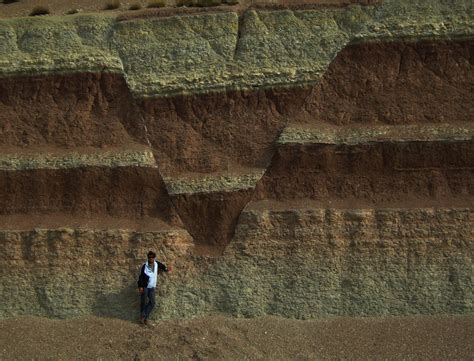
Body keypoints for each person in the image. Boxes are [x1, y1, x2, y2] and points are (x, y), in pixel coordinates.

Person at [137, 251, 171, 325]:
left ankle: (143, 316)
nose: (151, 258)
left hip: (152, 287)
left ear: (154, 257)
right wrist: (140, 286)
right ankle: (144, 319)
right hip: (145, 287)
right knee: (144, 302)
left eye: (152, 257)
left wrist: (166, 269)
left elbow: (163, 267)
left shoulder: (156, 264)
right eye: (149, 257)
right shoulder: (144, 266)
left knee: (152, 303)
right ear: (148, 257)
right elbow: (141, 277)